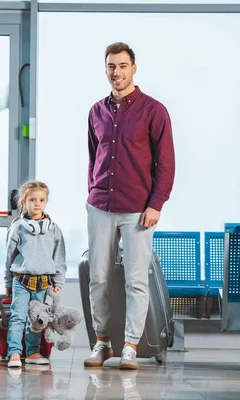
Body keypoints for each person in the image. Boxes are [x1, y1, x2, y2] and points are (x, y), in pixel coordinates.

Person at [84, 42, 176, 370]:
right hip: (100, 206)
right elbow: (94, 158)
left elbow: (166, 164)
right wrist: (91, 194)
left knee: (135, 280)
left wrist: (156, 204)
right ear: (105, 68)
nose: (116, 72)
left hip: (138, 209)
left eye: (122, 66)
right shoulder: (96, 111)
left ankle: (131, 347)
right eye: (111, 66)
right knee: (99, 276)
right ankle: (103, 342)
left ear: (134, 68)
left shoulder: (154, 110)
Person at [5, 180, 67, 368]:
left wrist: (59, 282)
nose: (37, 203)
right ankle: (14, 353)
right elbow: (9, 257)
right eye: (32, 199)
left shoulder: (54, 229)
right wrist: (8, 283)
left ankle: (32, 353)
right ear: (24, 201)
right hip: (21, 280)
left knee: (37, 319)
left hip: (44, 282)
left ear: (46, 202)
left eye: (41, 200)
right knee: (18, 317)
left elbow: (59, 257)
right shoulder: (18, 227)